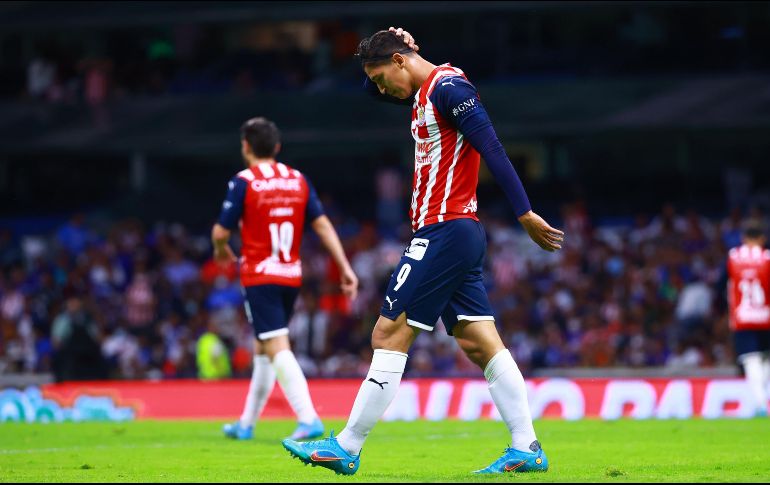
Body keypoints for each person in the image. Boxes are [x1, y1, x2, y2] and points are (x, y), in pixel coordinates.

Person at [283, 28, 563, 475]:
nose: (380, 89)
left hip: (444, 231)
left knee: (387, 334)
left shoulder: (450, 89)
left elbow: (491, 146)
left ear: (399, 62)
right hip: (455, 232)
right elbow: (370, 88)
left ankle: (347, 446)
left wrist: (524, 212)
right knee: (478, 341)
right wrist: (390, 46)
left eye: (381, 78)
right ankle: (526, 447)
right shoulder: (420, 90)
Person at [212, 117, 358, 441]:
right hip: (291, 276)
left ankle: (308, 417)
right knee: (263, 346)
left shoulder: (244, 181)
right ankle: (246, 424)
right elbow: (322, 225)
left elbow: (221, 231)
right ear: (277, 147)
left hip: (260, 275)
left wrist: (221, 249)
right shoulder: (297, 179)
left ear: (246, 146)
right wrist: (344, 266)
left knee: (276, 345)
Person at [726, 219, 770, 417]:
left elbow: (723, 285)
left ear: (743, 238)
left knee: (751, 360)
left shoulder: (733, 257)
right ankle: (764, 399)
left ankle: (761, 404)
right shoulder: (767, 258)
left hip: (743, 317)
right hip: (766, 316)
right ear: (762, 238)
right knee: (766, 359)